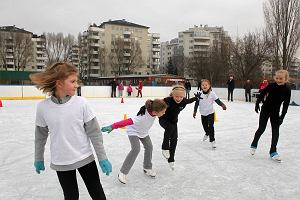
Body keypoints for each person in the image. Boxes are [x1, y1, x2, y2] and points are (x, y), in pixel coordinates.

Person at [30, 62, 112, 200]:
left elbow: (95, 133)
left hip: (85, 158)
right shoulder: (43, 108)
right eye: (73, 81)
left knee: (97, 193)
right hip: (61, 162)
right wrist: (38, 158)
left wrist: (102, 157)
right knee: (71, 196)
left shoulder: (81, 103)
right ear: (59, 83)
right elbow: (40, 136)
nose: (76, 85)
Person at [101, 99, 167, 184]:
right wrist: (112, 126)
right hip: (133, 131)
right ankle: (123, 172)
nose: (164, 113)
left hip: (143, 132)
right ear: (155, 112)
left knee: (149, 147)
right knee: (136, 149)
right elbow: (126, 121)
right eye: (163, 112)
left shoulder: (154, 110)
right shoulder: (142, 118)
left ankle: (147, 167)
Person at [250, 69, 291, 162]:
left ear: (285, 79)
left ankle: (273, 151)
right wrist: (257, 104)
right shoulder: (271, 86)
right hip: (265, 110)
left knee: (275, 131)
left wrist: (282, 117)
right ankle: (254, 143)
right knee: (261, 128)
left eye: (281, 78)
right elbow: (262, 93)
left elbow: (285, 105)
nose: (278, 80)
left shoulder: (287, 90)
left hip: (275, 113)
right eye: (277, 78)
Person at [159, 85, 199, 170]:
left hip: (174, 121)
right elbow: (155, 103)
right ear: (172, 95)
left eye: (181, 96)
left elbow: (189, 100)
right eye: (176, 96)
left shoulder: (184, 101)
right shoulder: (167, 100)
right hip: (164, 120)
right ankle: (165, 147)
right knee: (169, 128)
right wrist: (145, 107)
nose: (179, 98)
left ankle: (171, 159)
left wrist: (196, 98)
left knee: (174, 139)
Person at [193, 79, 226, 149]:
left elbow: (218, 101)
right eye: (203, 85)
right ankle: (207, 133)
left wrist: (222, 105)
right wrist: (195, 111)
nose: (204, 86)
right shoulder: (199, 94)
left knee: (211, 126)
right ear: (201, 86)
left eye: (206, 85)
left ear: (209, 86)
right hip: (203, 113)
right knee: (205, 126)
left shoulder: (212, 94)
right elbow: (196, 103)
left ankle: (212, 140)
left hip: (211, 113)